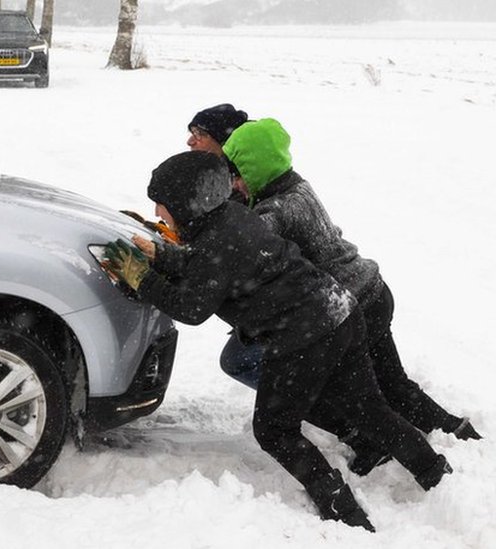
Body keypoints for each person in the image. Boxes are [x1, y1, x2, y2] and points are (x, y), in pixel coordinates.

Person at [104, 151, 453, 531]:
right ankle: (437, 474)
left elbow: (192, 306)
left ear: (188, 205)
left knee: (274, 429)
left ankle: (342, 512)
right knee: (368, 408)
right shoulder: (230, 219)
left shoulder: (217, 240)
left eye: (163, 202)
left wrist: (142, 277)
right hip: (339, 311)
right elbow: (207, 266)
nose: (157, 208)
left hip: (304, 336)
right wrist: (164, 256)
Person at [220, 118, 481, 473]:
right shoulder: (295, 186)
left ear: (254, 167)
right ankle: (455, 431)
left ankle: (394, 447)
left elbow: (243, 250)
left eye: (238, 171)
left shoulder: (276, 210)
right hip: (371, 290)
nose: (234, 181)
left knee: (364, 399)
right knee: (393, 386)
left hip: (350, 305)